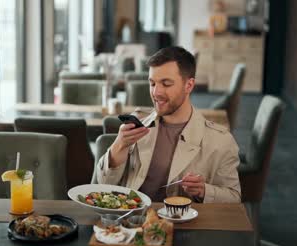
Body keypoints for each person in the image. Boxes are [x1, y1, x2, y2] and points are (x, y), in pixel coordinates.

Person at [95, 46, 241, 203]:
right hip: (131, 223)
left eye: (166, 84)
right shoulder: (137, 124)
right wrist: (119, 145)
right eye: (152, 84)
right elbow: (104, 184)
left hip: (183, 225)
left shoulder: (220, 141)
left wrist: (204, 190)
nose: (156, 92)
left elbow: (234, 198)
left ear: (189, 85)